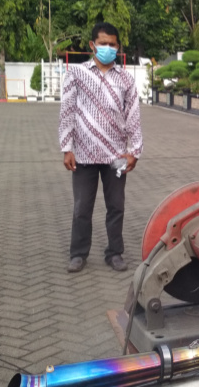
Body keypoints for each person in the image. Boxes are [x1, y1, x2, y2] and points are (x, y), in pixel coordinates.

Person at [58, 22, 143, 273]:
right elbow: (67, 111)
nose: (108, 48)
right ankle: (78, 253)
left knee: (116, 206)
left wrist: (134, 150)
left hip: (116, 156)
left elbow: (133, 116)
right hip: (83, 154)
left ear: (118, 46)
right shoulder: (77, 73)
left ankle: (114, 253)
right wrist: (67, 147)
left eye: (112, 44)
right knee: (82, 207)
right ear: (92, 45)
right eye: (103, 43)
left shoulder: (126, 79)